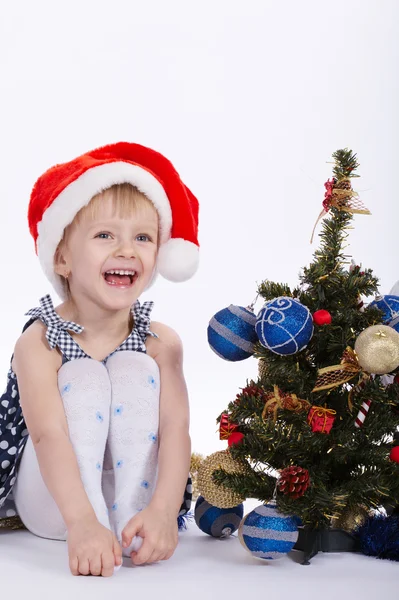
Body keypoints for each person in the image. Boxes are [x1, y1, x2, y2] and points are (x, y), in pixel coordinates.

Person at [0, 142, 199, 577]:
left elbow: (175, 430)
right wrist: (82, 523)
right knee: (85, 374)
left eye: (143, 238)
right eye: (105, 235)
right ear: (63, 258)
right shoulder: (38, 342)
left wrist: (165, 511)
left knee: (133, 366)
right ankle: (93, 520)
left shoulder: (161, 342)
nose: (127, 250)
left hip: (135, 502)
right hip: (57, 506)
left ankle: (133, 514)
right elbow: (48, 436)